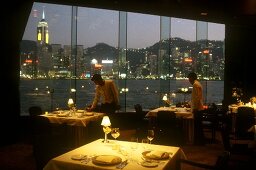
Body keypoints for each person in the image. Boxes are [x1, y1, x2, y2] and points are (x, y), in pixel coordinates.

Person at [187, 72, 205, 145]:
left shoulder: (195, 85)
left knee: (197, 126)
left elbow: (196, 98)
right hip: (199, 107)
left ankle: (199, 141)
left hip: (197, 108)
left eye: (189, 78)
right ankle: (200, 140)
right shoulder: (198, 84)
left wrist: (194, 108)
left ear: (191, 78)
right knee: (199, 125)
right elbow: (197, 97)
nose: (189, 80)